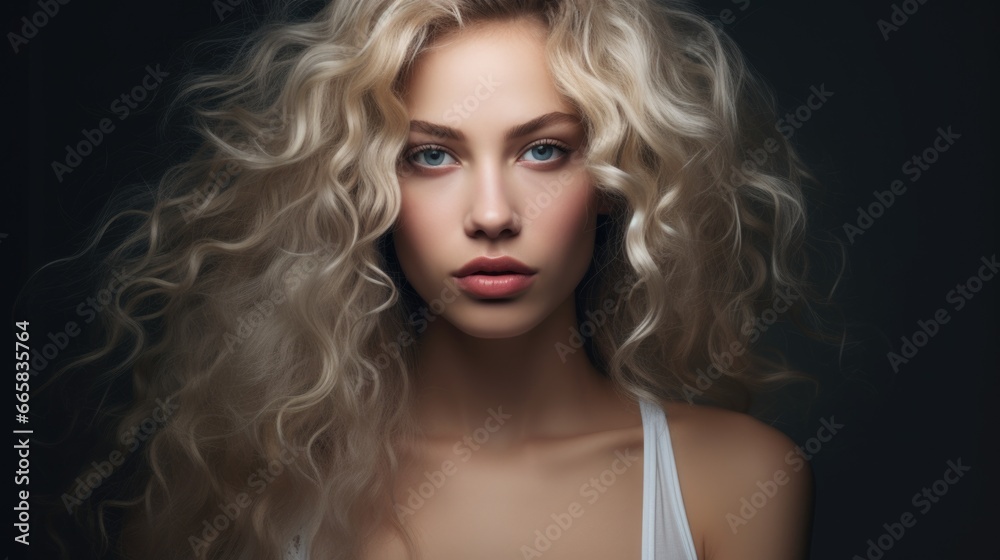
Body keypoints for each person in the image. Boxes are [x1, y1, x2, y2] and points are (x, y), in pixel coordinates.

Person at [54, 0, 822, 558]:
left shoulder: (735, 482)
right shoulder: (249, 491)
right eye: (431, 155)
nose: (492, 215)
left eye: (544, 151)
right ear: (362, 190)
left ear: (618, 180)